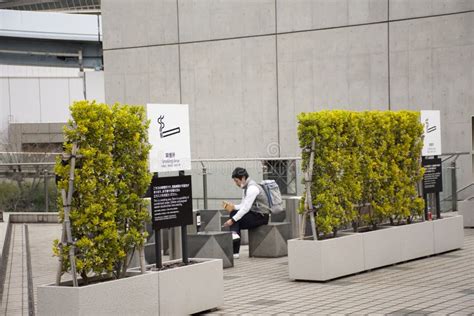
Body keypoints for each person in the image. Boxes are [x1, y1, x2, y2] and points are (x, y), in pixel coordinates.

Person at [222, 167, 270, 258]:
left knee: (235, 219)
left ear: (243, 178)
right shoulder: (245, 187)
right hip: (255, 214)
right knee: (234, 213)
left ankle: (235, 249)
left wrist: (232, 220)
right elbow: (243, 205)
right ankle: (234, 241)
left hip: (262, 216)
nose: (236, 183)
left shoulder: (252, 188)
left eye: (236, 181)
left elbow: (245, 209)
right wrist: (233, 207)